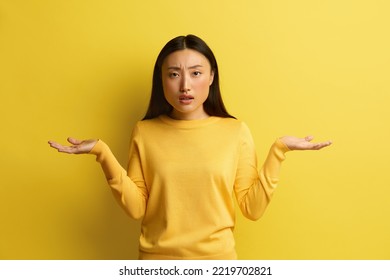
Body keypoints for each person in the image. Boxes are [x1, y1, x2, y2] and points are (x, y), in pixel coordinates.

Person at [48, 34, 332, 260]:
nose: (185, 85)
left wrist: (279, 151)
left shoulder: (235, 132)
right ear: (162, 80)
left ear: (211, 77)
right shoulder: (145, 132)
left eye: (196, 73)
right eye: (174, 74)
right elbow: (136, 209)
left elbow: (252, 208)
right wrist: (101, 152)